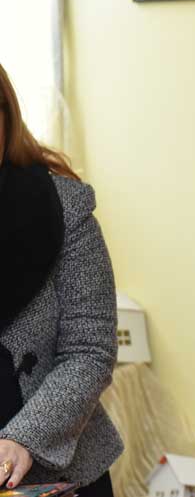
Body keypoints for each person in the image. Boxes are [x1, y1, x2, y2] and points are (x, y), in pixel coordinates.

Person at [0, 63, 122, 497]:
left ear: (7, 116)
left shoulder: (64, 209)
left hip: (55, 473)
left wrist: (24, 438)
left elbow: (90, 349)